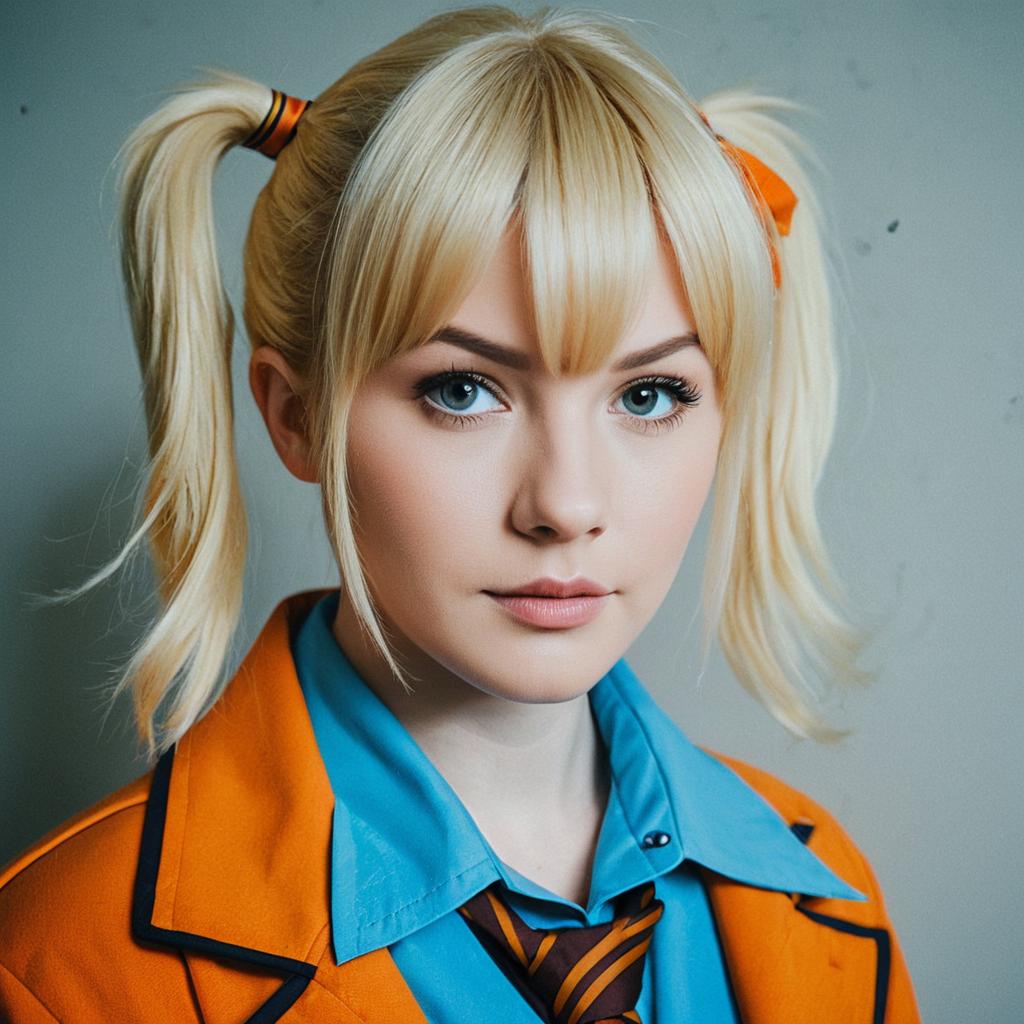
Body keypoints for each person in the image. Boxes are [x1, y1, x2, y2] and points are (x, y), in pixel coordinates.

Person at [0, 5, 921, 1021]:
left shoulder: (828, 886)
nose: (565, 505)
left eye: (649, 394)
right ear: (296, 417)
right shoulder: (59, 962)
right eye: (462, 389)